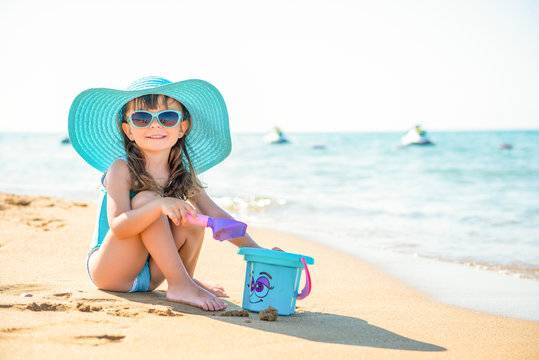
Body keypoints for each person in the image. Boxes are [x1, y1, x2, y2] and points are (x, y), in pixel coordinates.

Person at [68, 77, 276, 311]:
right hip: (111, 271)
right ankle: (181, 283)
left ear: (182, 128)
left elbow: (215, 215)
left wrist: (260, 253)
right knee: (148, 200)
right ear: (128, 130)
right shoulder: (121, 169)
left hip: (151, 278)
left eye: (167, 117)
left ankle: (183, 280)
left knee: (191, 217)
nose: (155, 125)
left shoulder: (182, 174)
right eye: (142, 118)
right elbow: (119, 226)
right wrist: (158, 205)